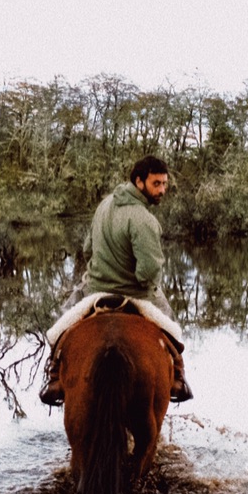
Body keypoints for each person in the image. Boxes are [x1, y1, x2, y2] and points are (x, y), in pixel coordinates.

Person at [39, 155, 194, 406]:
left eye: (165, 184)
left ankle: (54, 376)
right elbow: (148, 272)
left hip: (94, 289)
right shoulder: (144, 220)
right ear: (139, 181)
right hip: (136, 294)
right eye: (157, 184)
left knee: (60, 328)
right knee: (174, 331)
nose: (163, 190)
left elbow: (88, 248)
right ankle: (178, 376)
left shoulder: (104, 205)